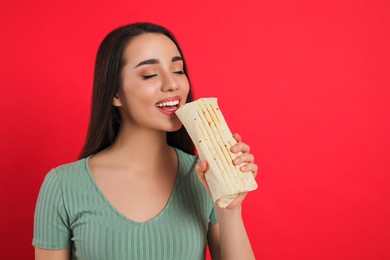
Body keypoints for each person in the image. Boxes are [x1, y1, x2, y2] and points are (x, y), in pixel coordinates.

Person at [33, 22, 258, 260]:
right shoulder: (63, 186)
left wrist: (230, 208)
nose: (172, 84)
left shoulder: (203, 176)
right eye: (149, 74)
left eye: (178, 70)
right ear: (115, 94)